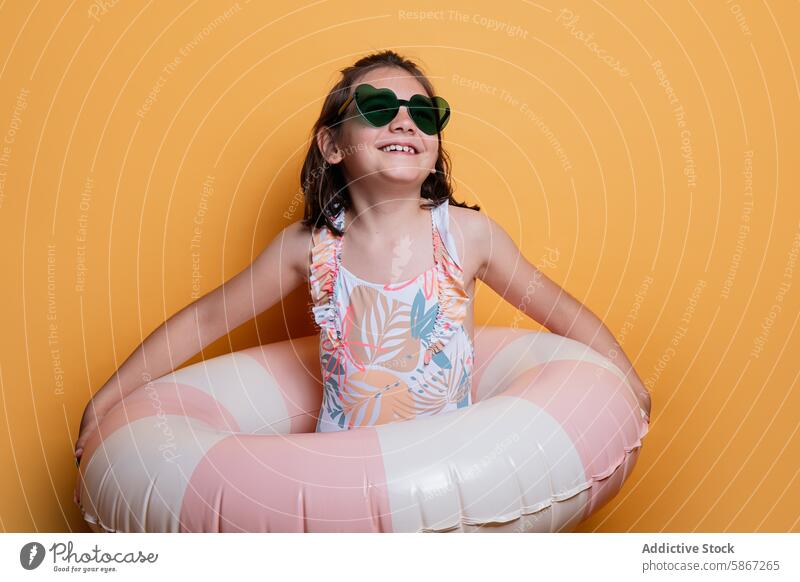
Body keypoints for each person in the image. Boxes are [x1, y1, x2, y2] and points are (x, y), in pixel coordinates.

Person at [73, 49, 651, 481]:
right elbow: (206, 321)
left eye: (425, 113)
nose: (405, 122)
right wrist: (108, 400)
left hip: (448, 473)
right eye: (378, 107)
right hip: (342, 476)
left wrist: (626, 379)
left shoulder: (467, 237)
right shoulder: (308, 249)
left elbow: (554, 306)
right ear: (332, 145)